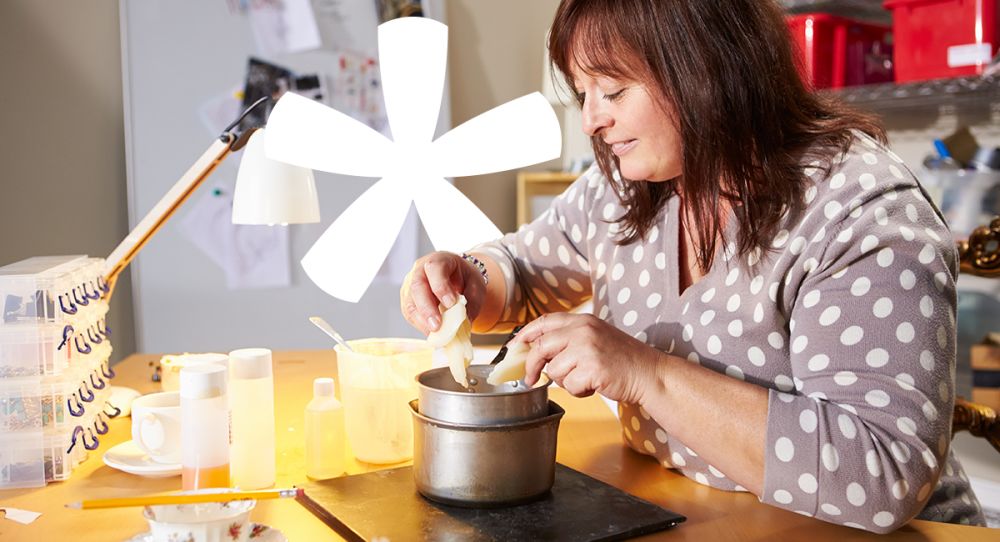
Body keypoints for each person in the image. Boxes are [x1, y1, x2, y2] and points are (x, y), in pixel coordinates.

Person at [400, 0, 986, 532]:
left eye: (613, 89)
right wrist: (467, 279)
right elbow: (522, 270)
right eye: (584, 93)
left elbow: (880, 475)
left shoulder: (859, 211)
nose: (590, 121)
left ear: (704, 67)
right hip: (702, 515)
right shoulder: (628, 186)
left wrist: (644, 373)